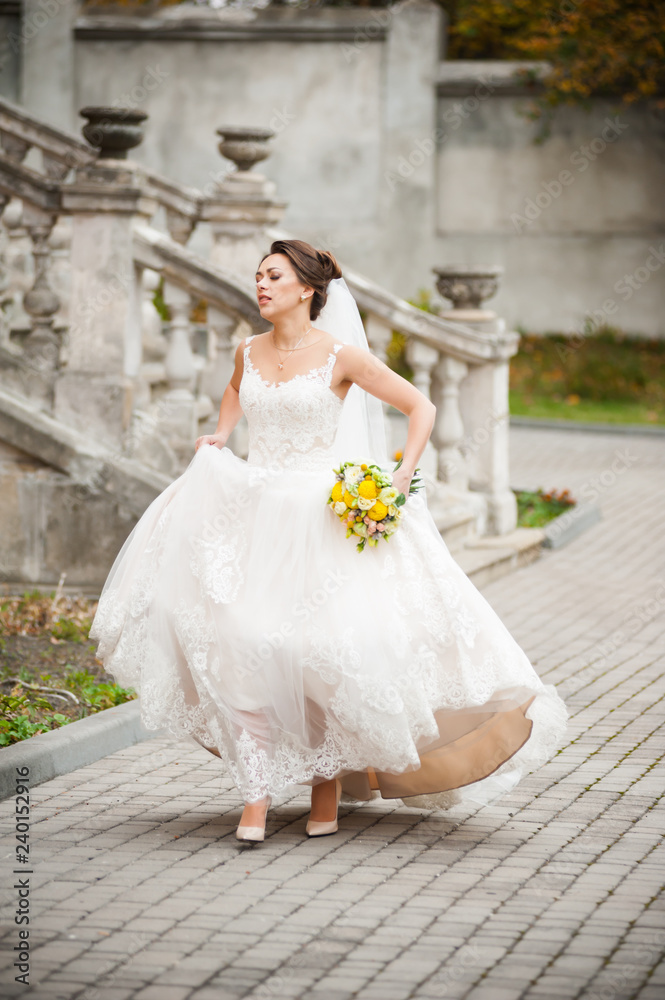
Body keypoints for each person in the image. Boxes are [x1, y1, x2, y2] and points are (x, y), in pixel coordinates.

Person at [89, 239, 568, 844]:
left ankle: (325, 787)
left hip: (321, 520)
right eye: (258, 276)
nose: (261, 285)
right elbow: (237, 390)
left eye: (273, 277)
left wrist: (399, 475)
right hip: (255, 513)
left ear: (307, 290)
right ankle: (256, 799)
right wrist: (221, 433)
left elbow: (420, 405)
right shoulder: (248, 349)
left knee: (314, 651)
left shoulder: (341, 355)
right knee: (241, 645)